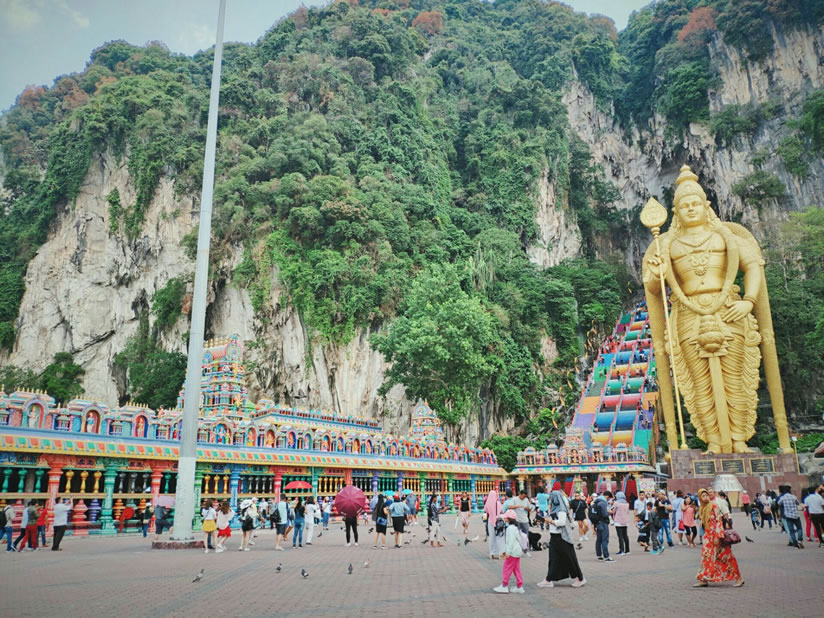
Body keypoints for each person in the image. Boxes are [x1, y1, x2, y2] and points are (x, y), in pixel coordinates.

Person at [694, 488, 744, 587]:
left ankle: (739, 578)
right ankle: (703, 579)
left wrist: (717, 536)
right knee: (706, 557)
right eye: (703, 496)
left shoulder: (714, 505)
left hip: (716, 536)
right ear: (700, 498)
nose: (705, 497)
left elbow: (718, 521)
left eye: (706, 495)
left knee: (726, 556)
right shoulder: (702, 508)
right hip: (708, 536)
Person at [537, 491, 586, 589]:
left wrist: (550, 521)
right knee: (553, 558)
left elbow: (562, 522)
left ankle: (580, 578)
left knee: (569, 558)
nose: (550, 500)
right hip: (555, 536)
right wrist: (546, 520)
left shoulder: (561, 509)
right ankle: (549, 579)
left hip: (562, 537)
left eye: (552, 498)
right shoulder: (554, 508)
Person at [493, 510, 524, 594]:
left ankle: (504, 585)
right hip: (517, 551)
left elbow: (510, 542)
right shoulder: (515, 528)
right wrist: (505, 550)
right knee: (516, 568)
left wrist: (507, 552)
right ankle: (519, 586)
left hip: (512, 552)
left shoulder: (510, 528)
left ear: (508, 518)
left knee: (507, 568)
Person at [592, 491, 614, 562]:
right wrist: (609, 513)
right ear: (607, 496)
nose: (608, 500)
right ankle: (606, 556)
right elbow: (604, 514)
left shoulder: (596, 502)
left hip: (597, 522)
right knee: (605, 540)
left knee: (599, 539)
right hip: (603, 522)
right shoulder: (603, 503)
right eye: (609, 498)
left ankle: (599, 555)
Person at [484, 489, 504, 560]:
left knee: (491, 537)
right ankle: (500, 553)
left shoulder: (487, 503)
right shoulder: (498, 503)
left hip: (490, 521)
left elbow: (486, 512)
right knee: (499, 537)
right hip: (498, 522)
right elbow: (502, 511)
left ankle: (491, 553)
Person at [612, 491, 631, 556]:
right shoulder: (627, 503)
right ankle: (627, 550)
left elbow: (613, 511)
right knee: (625, 536)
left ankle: (621, 550)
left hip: (618, 521)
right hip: (625, 521)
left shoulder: (616, 503)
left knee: (620, 536)